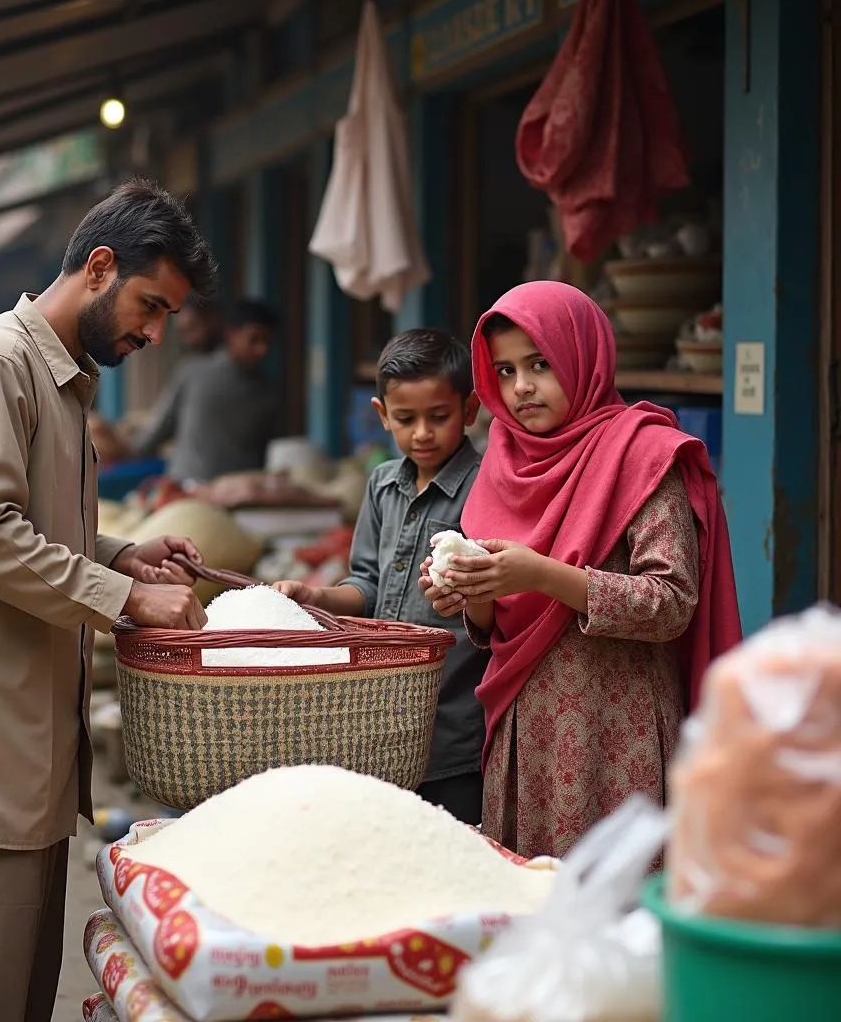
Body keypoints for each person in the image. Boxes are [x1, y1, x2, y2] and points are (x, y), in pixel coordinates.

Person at [0, 179, 217, 1022]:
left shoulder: (58, 376)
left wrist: (124, 551)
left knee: (13, 989)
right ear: (99, 266)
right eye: (149, 304)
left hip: (22, 740)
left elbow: (34, 527)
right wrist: (126, 596)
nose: (154, 332)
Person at [421, 281, 741, 858]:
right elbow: (501, 621)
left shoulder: (644, 453)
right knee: (532, 907)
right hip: (525, 734)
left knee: (614, 919)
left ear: (583, 355)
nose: (522, 387)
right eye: (506, 370)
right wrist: (474, 589)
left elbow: (670, 602)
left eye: (541, 363)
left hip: (616, 738)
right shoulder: (505, 457)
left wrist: (541, 574)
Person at [275, 330, 490, 823]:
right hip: (380, 721)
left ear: (470, 409)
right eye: (405, 419)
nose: (422, 434)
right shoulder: (381, 484)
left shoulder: (484, 486)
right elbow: (367, 585)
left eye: (439, 417)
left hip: (455, 723)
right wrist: (314, 595)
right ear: (381, 415)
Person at [131, 297, 279, 482]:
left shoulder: (267, 391)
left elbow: (272, 452)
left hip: (242, 495)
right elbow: (157, 433)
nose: (261, 349)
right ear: (232, 335)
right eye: (254, 340)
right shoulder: (192, 374)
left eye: (267, 342)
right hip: (185, 491)